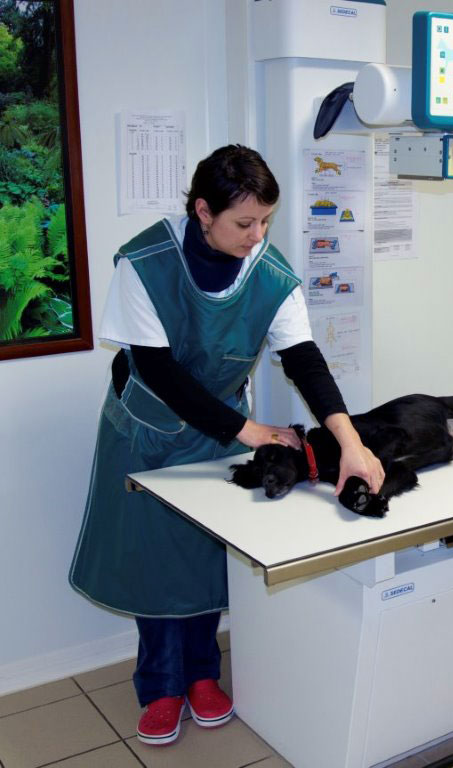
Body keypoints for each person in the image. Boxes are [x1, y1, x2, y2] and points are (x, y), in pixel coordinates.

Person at [69, 145, 384, 747]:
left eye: (266, 220)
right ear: (202, 211)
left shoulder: (268, 271)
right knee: (153, 560)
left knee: (204, 555)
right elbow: (160, 372)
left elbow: (305, 361)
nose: (257, 234)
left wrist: (350, 441)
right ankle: (160, 685)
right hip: (147, 431)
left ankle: (203, 675)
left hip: (220, 432)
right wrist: (248, 432)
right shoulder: (145, 262)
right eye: (245, 223)